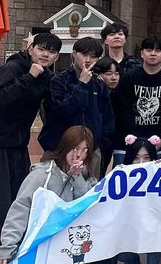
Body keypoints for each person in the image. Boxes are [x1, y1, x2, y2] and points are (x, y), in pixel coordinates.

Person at [0, 31, 62, 264]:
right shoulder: (14, 68)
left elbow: (52, 110)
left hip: (16, 146)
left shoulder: (45, 77)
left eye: (51, 52)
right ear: (31, 49)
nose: (45, 54)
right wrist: (29, 77)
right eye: (41, 49)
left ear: (56, 57)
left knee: (19, 203)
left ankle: (12, 258)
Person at [0, 126, 97, 264]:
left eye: (84, 150)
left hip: (67, 244)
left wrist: (77, 178)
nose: (78, 154)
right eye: (75, 148)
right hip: (40, 245)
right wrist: (8, 245)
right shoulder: (42, 174)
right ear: (65, 146)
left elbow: (89, 207)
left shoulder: (85, 176)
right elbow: (20, 208)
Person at [39, 36, 115, 180]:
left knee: (89, 190)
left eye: (93, 56)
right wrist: (81, 84)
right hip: (59, 148)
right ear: (74, 54)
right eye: (84, 54)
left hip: (91, 150)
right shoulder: (58, 81)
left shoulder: (99, 85)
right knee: (55, 188)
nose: (88, 60)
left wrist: (101, 144)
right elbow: (59, 113)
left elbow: (107, 118)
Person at [117, 36, 161, 150]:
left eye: (157, 51)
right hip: (131, 140)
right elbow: (125, 110)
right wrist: (135, 139)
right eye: (149, 50)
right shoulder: (128, 78)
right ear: (142, 53)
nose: (153, 54)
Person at [116, 136, 161, 264]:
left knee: (154, 231)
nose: (141, 162)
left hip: (153, 219)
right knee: (119, 237)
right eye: (136, 158)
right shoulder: (119, 175)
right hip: (128, 221)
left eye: (146, 157)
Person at [93, 56, 129, 169]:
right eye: (109, 74)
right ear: (98, 75)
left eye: (116, 74)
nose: (114, 77)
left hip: (114, 142)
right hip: (97, 143)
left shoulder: (120, 94)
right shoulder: (93, 93)